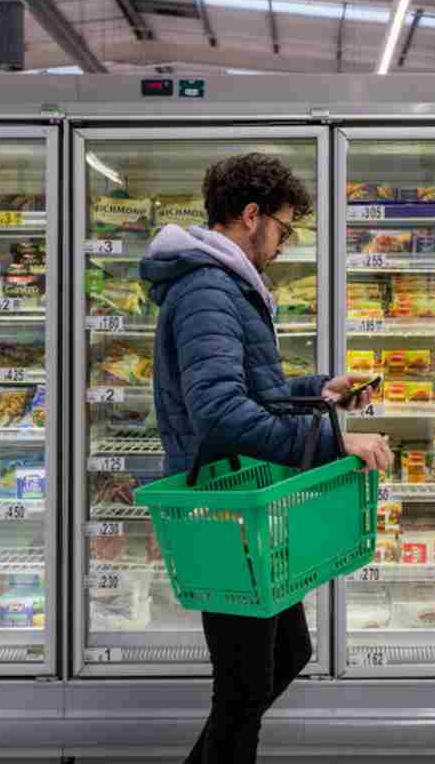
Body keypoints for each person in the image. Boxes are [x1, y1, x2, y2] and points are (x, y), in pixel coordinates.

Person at [140, 153, 393, 763]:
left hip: (245, 500)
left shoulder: (226, 284)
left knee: (285, 657)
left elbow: (250, 392)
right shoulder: (208, 288)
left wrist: (319, 390)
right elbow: (222, 412)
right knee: (243, 689)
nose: (284, 243)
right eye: (284, 227)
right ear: (251, 216)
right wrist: (336, 442)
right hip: (224, 507)